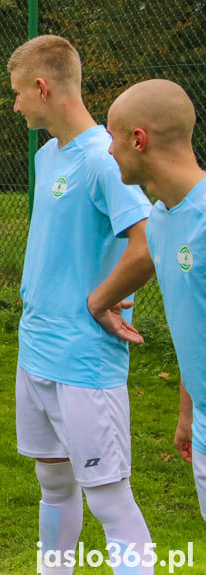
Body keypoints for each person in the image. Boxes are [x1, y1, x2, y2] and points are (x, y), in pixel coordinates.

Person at [8, 36, 155, 574]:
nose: (17, 104)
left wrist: (100, 300)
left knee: (110, 501)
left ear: (42, 88)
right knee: (53, 483)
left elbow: (147, 242)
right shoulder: (50, 156)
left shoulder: (103, 159)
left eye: (20, 93)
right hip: (37, 349)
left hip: (85, 361)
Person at [107, 78, 206, 521]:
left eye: (113, 136)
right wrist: (188, 414)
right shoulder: (162, 219)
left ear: (138, 139)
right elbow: (195, 325)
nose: (109, 150)